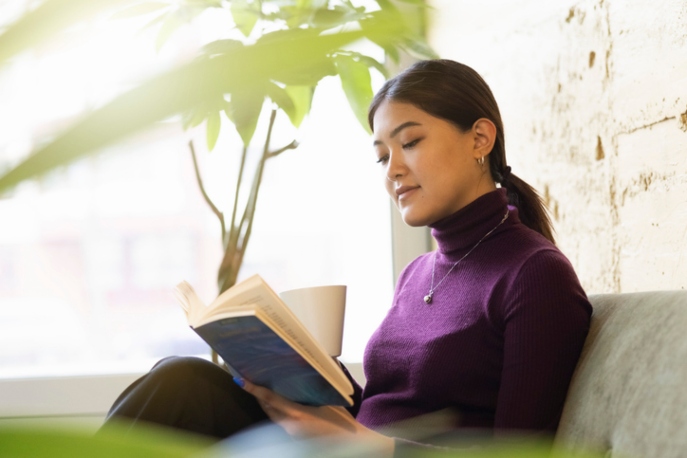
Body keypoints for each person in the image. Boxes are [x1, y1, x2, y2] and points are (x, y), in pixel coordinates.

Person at [102, 59, 592, 455]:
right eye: (382, 155)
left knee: (182, 388)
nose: (393, 170)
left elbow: (520, 453)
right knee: (184, 381)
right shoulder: (419, 272)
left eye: (411, 142)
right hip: (344, 450)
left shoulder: (535, 274)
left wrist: (366, 443)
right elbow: (389, 405)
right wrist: (303, 383)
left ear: (480, 139)